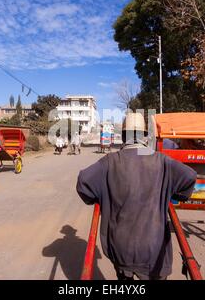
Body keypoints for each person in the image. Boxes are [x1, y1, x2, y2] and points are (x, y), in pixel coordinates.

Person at [76, 113, 197, 280]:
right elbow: (189, 176)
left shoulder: (110, 161)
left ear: (124, 136)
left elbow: (84, 182)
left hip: (120, 247)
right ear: (145, 136)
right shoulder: (162, 161)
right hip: (153, 248)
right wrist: (173, 193)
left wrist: (101, 196)